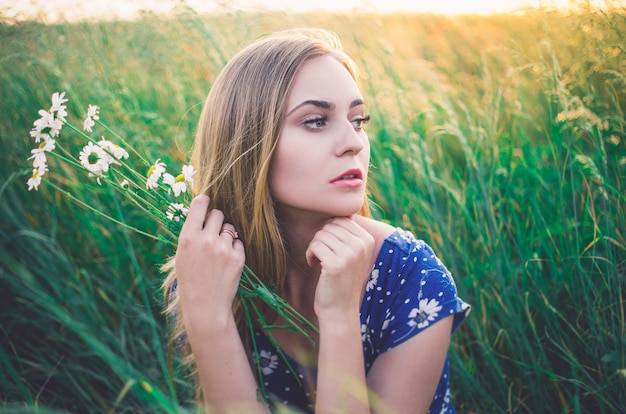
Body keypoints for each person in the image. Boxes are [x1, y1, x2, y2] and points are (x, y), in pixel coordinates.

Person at [162, 28, 470, 414]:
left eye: (358, 120)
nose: (354, 142)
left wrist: (340, 316)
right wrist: (209, 321)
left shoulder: (409, 277)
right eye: (315, 121)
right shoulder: (208, 273)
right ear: (247, 146)